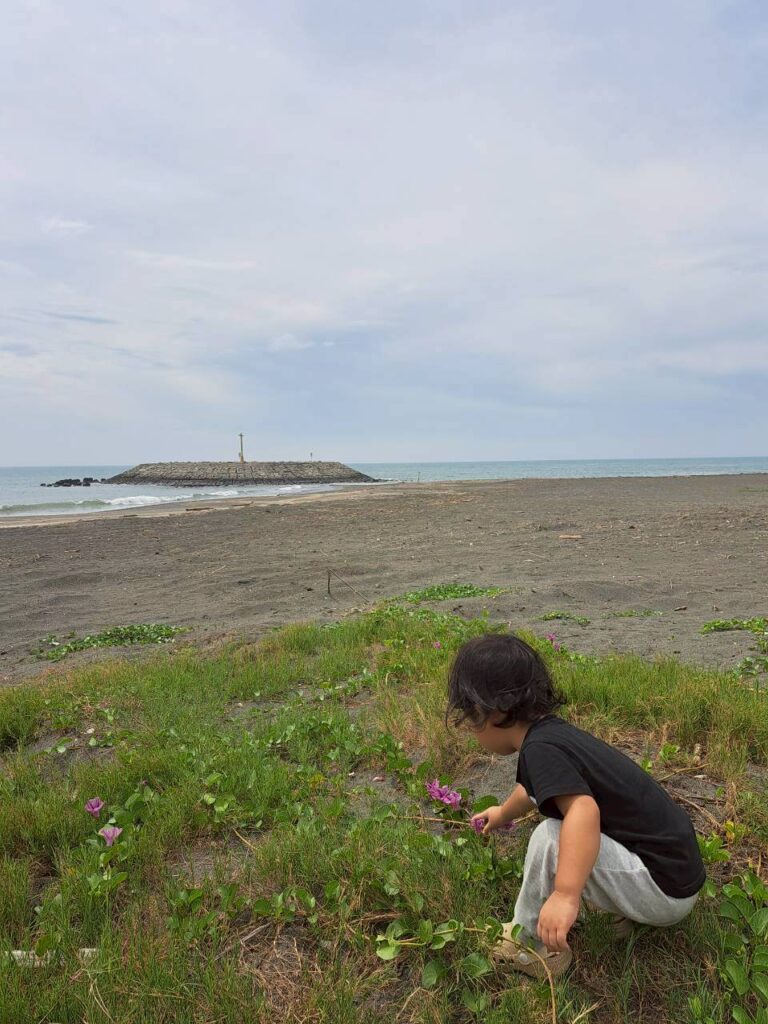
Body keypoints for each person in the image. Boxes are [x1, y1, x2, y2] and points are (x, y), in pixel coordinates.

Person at [447, 632, 705, 977]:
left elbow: (584, 811)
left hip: (663, 889)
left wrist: (566, 895)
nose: (471, 731)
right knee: (571, 840)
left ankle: (527, 944)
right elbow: (532, 790)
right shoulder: (551, 735)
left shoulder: (540, 750)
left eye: (469, 719)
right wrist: (503, 813)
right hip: (674, 872)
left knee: (550, 838)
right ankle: (613, 912)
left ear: (491, 711)